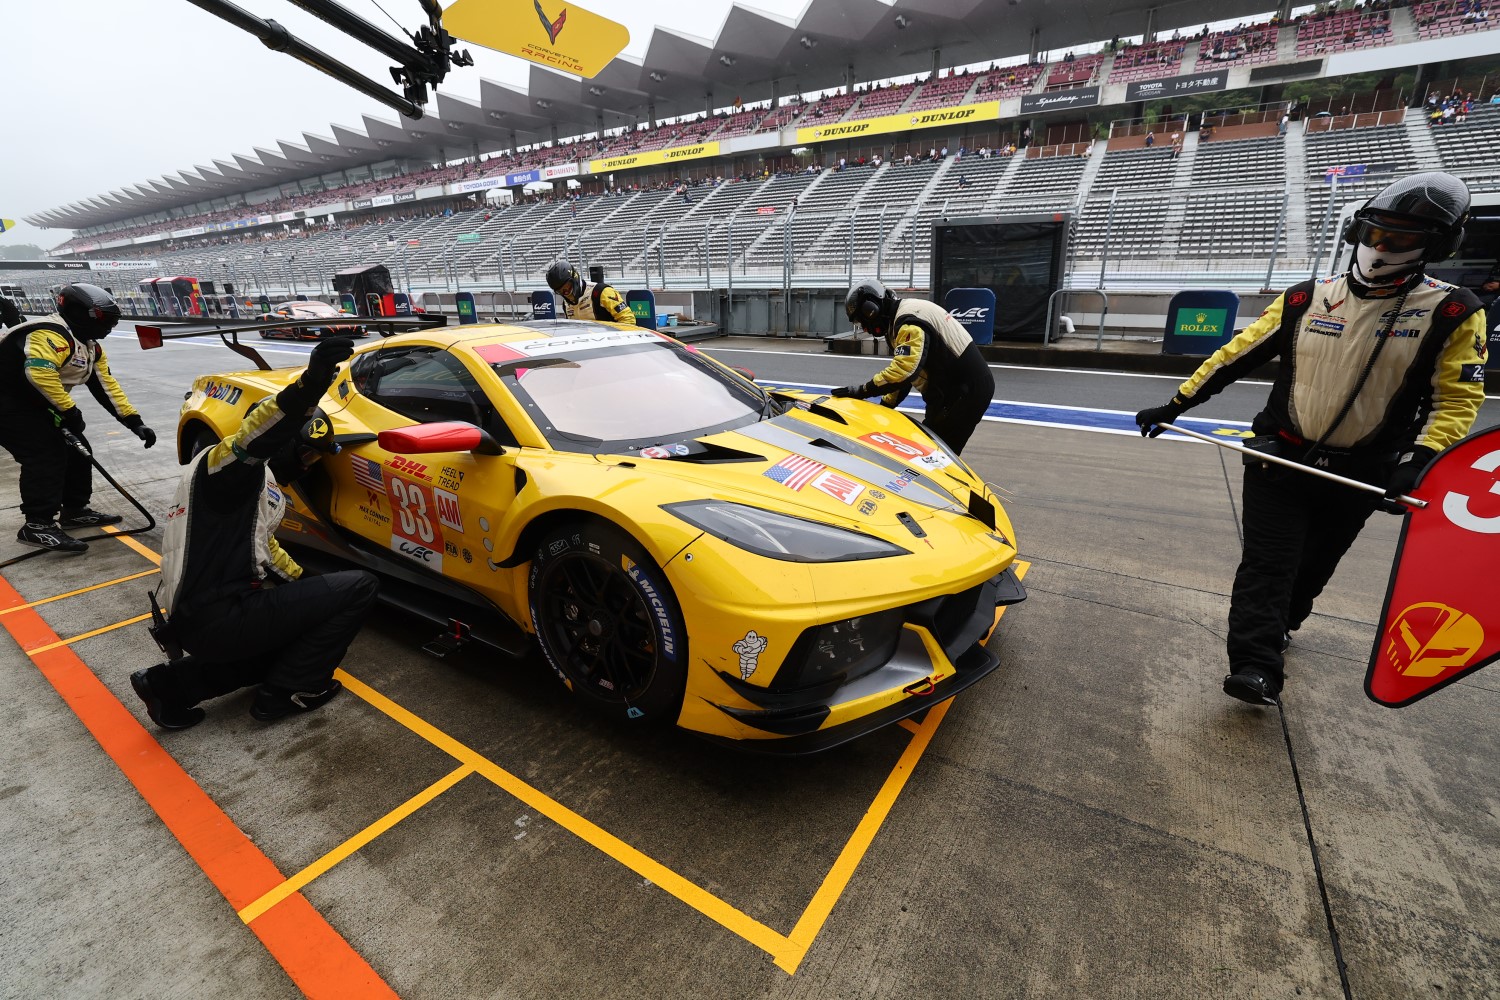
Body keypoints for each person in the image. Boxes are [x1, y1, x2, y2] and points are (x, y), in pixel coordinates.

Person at [1134, 172, 1488, 707]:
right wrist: (1176, 404)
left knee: (1315, 564)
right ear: (1355, 232)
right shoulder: (1305, 297)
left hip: (1362, 470)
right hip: (1280, 454)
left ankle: (1284, 623)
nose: (1380, 248)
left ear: (1436, 247)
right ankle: (1255, 666)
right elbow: (1233, 356)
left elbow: (1456, 401)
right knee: (1267, 564)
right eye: (1374, 234)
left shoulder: (1454, 311)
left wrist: (1422, 460)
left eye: (1399, 240)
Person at [129, 338, 379, 729]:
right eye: (308, 455)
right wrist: (310, 386)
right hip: (219, 613)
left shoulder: (244, 484)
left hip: (199, 620)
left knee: (296, 635)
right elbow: (255, 437)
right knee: (360, 585)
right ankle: (288, 693)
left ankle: (168, 686)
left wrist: (314, 592)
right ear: (285, 443)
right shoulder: (228, 466)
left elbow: (265, 550)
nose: (308, 466)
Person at [0, 284, 155, 553]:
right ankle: (37, 524)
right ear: (80, 314)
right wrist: (69, 411)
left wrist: (134, 421)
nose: (110, 327)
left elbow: (106, 386)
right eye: (106, 320)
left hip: (34, 402)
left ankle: (74, 510)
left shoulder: (90, 347)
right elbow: (39, 376)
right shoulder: (48, 334)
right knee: (45, 454)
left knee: (78, 450)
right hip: (8, 403)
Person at [830, 279, 995, 455]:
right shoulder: (901, 318)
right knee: (931, 447)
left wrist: (862, 390)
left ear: (871, 310)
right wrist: (885, 405)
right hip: (952, 391)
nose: (864, 328)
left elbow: (905, 371)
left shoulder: (908, 321)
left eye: (862, 321)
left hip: (965, 391)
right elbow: (904, 377)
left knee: (936, 455)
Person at [544, 261, 636, 325]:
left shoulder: (602, 292)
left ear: (575, 279)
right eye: (560, 292)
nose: (566, 293)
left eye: (567, 288)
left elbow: (628, 319)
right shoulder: (565, 304)